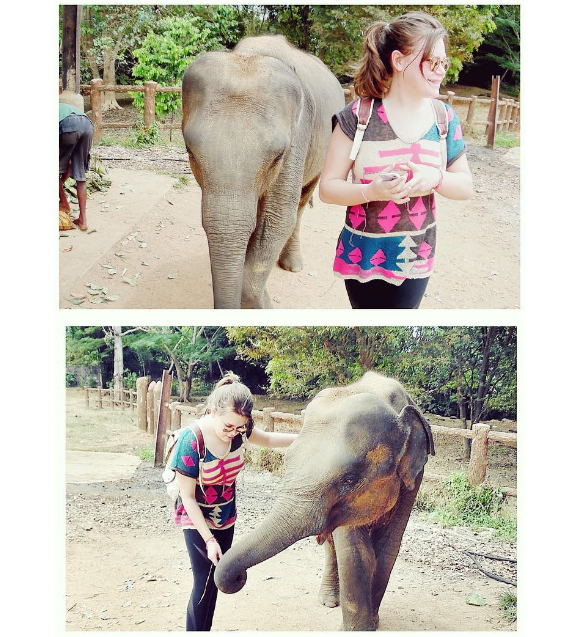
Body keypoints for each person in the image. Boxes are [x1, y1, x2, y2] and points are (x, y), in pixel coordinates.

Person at [319, 12, 474, 309]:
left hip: (416, 254)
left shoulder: (445, 119)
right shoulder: (357, 117)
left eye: (444, 63)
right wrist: (371, 191)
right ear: (399, 61)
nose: (440, 71)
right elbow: (328, 188)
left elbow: (465, 186)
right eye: (432, 62)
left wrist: (436, 178)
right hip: (361, 255)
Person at [168, 372, 297, 631]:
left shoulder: (240, 430)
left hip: (226, 514)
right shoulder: (191, 441)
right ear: (213, 411)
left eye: (240, 427)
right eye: (228, 426)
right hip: (196, 515)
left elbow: (269, 440)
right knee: (202, 581)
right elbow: (188, 498)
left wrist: (304, 439)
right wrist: (208, 539)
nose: (233, 433)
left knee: (218, 577)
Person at [59, 91, 94, 231]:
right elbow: (68, 165)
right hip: (87, 125)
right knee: (80, 176)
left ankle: (64, 205)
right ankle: (83, 220)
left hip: (68, 124)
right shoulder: (66, 107)